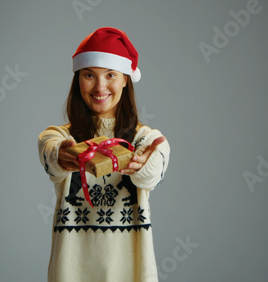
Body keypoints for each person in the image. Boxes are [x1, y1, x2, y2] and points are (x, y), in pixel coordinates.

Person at [38, 27, 170, 282]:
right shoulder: (59, 136)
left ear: (125, 79)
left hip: (131, 271)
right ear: (78, 79)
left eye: (110, 74)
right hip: (71, 271)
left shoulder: (147, 139)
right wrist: (64, 156)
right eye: (89, 75)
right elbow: (52, 153)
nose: (100, 86)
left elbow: (151, 174)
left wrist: (140, 166)